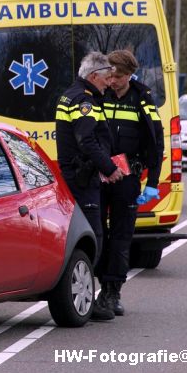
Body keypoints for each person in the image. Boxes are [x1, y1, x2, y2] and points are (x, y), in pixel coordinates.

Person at [55, 51, 125, 321]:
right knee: (93, 237)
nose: (110, 82)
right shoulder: (84, 101)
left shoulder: (70, 94)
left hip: (77, 176)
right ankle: (79, 298)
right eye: (107, 77)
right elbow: (86, 141)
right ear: (94, 76)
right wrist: (109, 168)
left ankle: (77, 297)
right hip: (83, 179)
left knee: (83, 236)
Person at [97, 49, 164, 316]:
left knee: (121, 236)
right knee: (99, 233)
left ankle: (113, 292)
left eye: (120, 76)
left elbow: (156, 143)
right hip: (100, 175)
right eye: (111, 75)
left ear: (130, 75)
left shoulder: (142, 98)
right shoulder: (99, 94)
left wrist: (153, 183)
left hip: (127, 179)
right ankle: (101, 286)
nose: (114, 81)